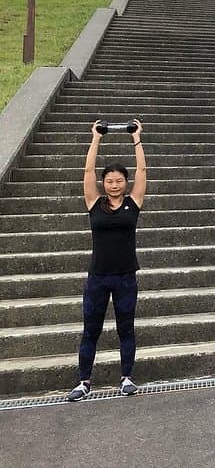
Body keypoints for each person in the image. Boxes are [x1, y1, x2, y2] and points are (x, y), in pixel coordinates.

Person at [67, 119, 147, 402]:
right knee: (91, 330)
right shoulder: (94, 203)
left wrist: (136, 138)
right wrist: (96, 138)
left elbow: (142, 170)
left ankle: (126, 378)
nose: (114, 185)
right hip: (98, 278)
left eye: (119, 181)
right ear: (104, 183)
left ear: (126, 183)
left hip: (125, 277)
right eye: (109, 181)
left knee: (126, 329)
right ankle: (83, 381)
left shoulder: (133, 203)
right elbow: (88, 171)